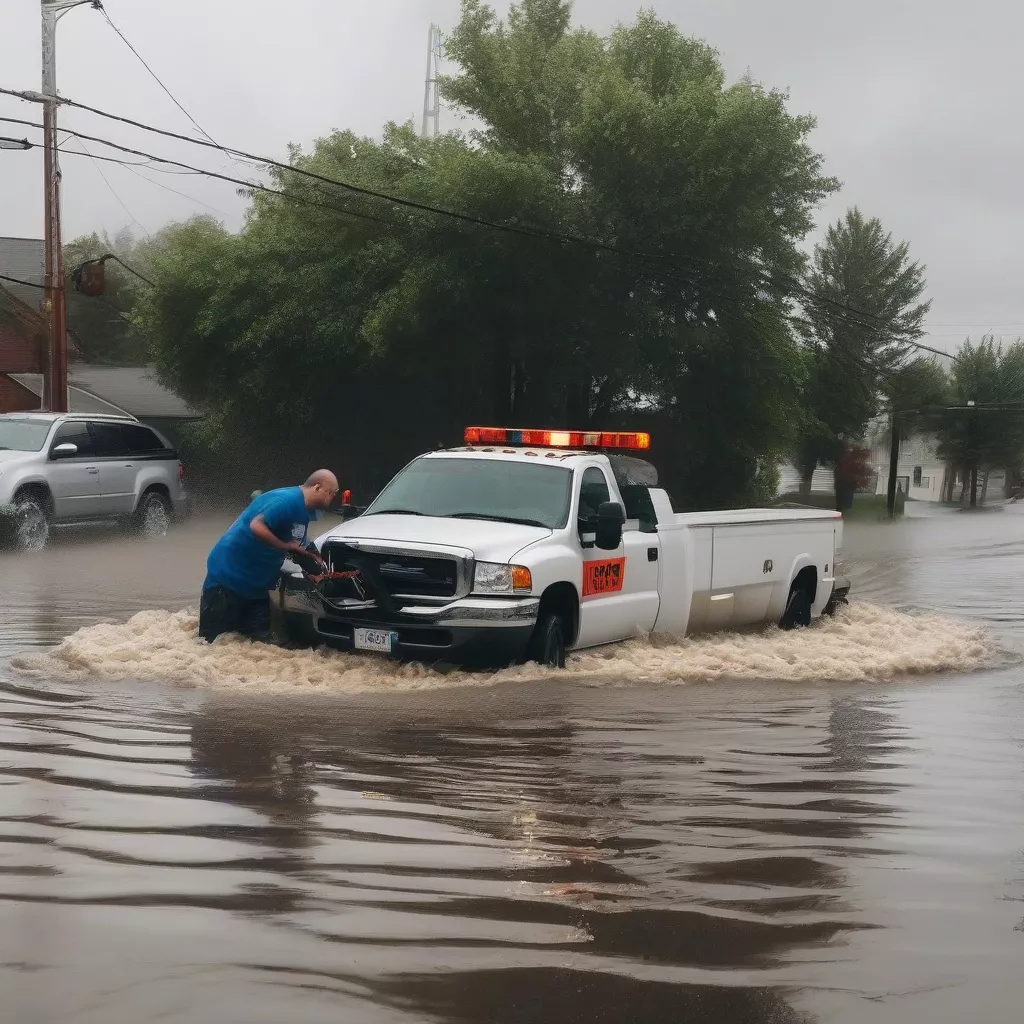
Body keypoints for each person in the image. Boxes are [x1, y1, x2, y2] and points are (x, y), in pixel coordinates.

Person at [199, 470, 339, 643]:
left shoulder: (306, 511)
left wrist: (316, 566)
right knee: (212, 644)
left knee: (260, 646)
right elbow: (256, 526)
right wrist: (286, 546)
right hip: (228, 581)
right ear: (318, 487)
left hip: (257, 588)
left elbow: (298, 541)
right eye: (332, 493)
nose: (333, 498)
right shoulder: (285, 501)